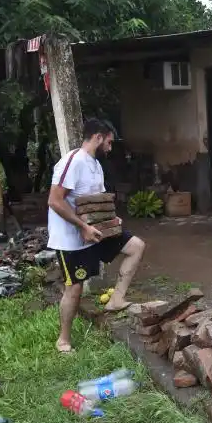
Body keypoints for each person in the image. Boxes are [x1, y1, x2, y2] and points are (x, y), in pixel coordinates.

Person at [47, 118, 145, 354]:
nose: (110, 148)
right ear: (98, 137)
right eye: (109, 143)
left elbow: (98, 203)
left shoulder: (96, 165)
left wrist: (112, 220)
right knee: (75, 288)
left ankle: (116, 299)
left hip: (96, 231)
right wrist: (82, 226)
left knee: (136, 246)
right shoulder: (72, 162)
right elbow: (55, 200)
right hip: (71, 239)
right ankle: (63, 340)